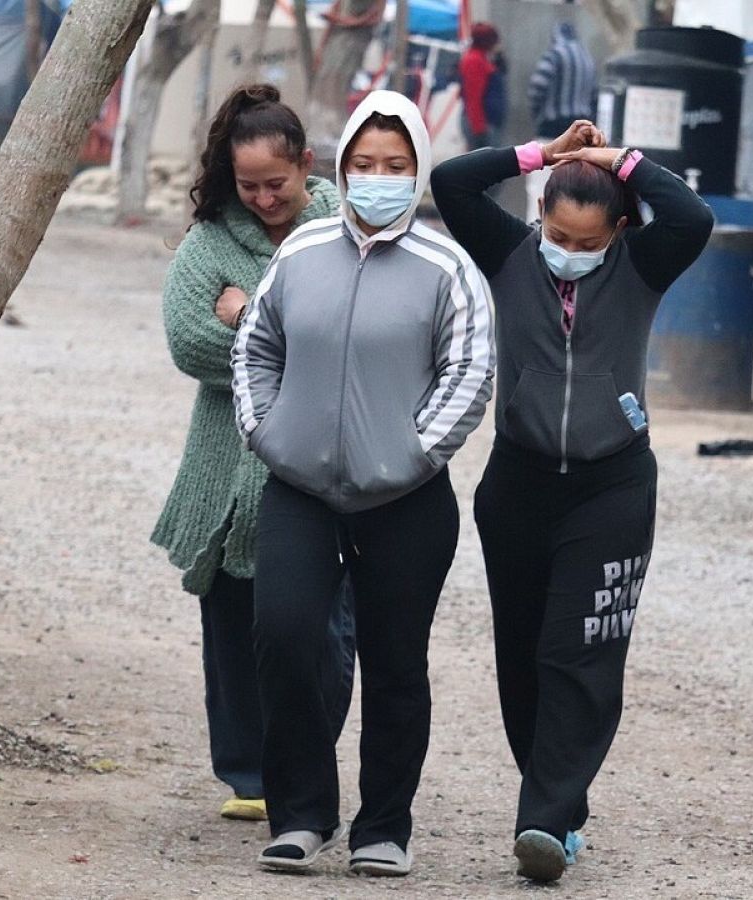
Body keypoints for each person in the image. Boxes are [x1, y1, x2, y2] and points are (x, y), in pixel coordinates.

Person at [431, 121, 713, 883]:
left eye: (590, 241)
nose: (572, 251)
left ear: (619, 230)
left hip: (612, 485)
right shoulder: (511, 254)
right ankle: (560, 799)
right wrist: (542, 154)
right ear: (539, 218)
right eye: (559, 234)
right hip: (517, 483)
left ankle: (544, 820)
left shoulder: (644, 264)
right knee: (522, 655)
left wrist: (621, 161)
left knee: (578, 651)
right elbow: (452, 181)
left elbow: (693, 217)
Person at [232, 89, 494, 878]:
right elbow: (256, 347)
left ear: (417, 172)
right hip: (301, 490)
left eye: (396, 165)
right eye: (364, 164)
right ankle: (301, 815)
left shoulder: (447, 266)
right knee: (283, 634)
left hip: (405, 500)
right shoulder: (301, 251)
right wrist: (269, 432)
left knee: (393, 659)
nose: (378, 178)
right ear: (341, 169)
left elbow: (471, 370)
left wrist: (411, 453)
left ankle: (384, 825)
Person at [155, 83, 355, 825]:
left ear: (306, 164)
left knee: (321, 627)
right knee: (232, 623)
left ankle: (303, 758)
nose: (265, 198)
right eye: (249, 186)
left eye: (278, 183)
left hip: (329, 461)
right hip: (228, 468)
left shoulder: (345, 224)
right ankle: (247, 771)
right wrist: (287, 339)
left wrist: (249, 314)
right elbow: (188, 341)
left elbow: (355, 329)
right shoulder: (207, 242)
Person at [524, 22, 597, 219]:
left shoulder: (555, 54)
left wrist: (537, 113)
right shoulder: (587, 58)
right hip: (580, 131)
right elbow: (594, 95)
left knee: (541, 183)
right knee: (570, 185)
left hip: (551, 128)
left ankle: (538, 226)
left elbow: (537, 86)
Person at [460, 22, 507, 151]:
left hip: (485, 122)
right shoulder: (475, 60)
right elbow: (473, 95)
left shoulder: (481, 59)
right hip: (482, 124)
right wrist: (479, 128)